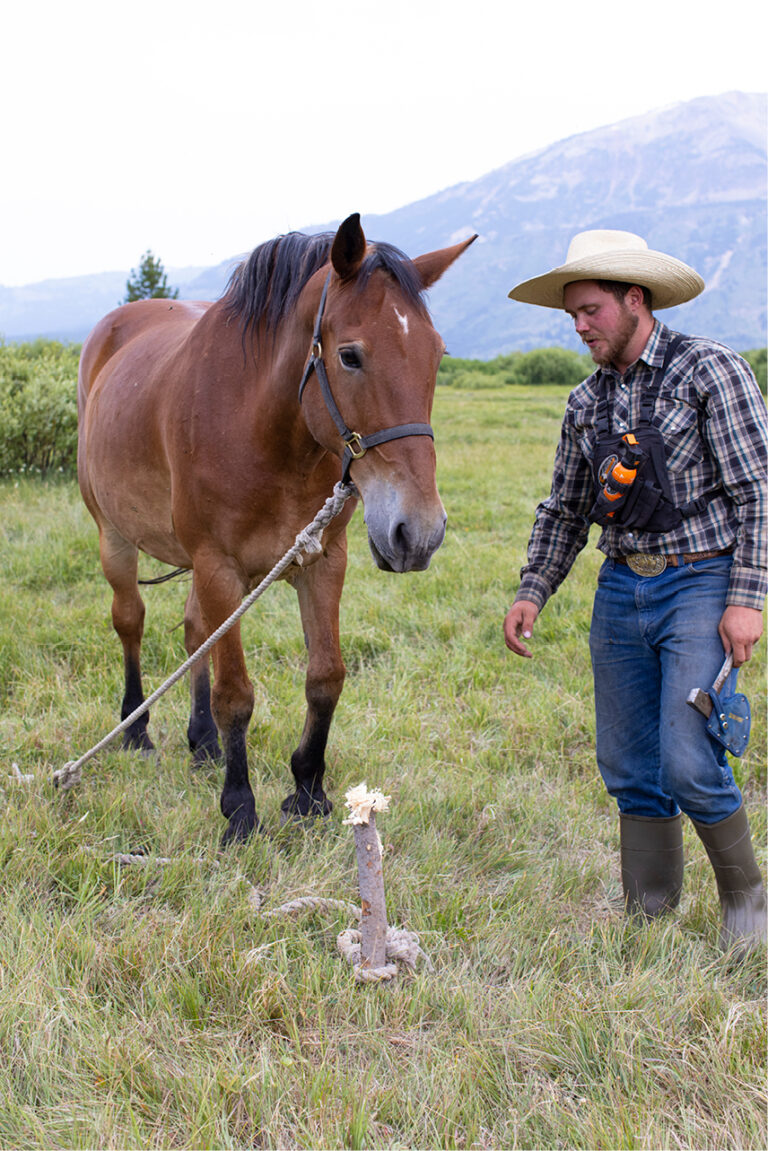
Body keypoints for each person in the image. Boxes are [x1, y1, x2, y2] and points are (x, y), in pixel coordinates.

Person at [503, 229, 767, 956]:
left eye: (589, 311)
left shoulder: (710, 371)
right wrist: (534, 590)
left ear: (635, 300)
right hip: (621, 587)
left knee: (687, 757)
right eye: (572, 317)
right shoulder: (585, 402)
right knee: (627, 765)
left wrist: (747, 597)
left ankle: (748, 903)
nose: (581, 326)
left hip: (703, 581)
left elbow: (757, 491)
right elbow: (564, 507)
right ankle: (649, 912)